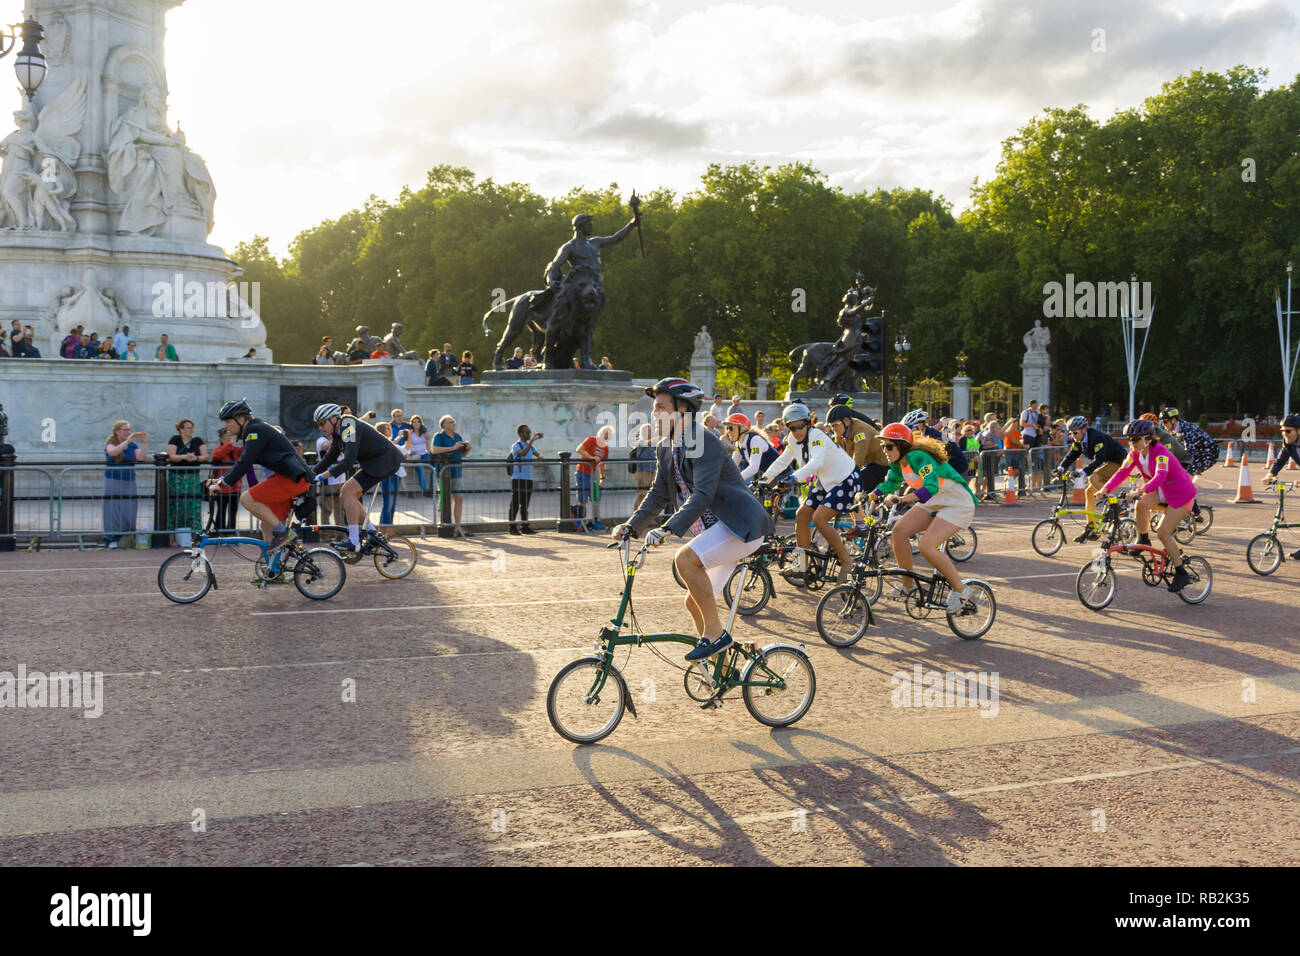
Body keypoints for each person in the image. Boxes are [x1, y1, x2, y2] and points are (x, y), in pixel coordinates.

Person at [612, 377, 775, 663]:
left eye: (661, 408)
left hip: (741, 526)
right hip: (723, 530)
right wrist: (632, 526)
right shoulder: (666, 447)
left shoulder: (705, 442)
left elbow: (702, 494)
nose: (654, 414)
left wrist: (667, 529)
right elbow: (658, 493)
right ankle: (721, 671)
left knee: (684, 560)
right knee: (694, 601)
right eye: (654, 409)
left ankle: (715, 636)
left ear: (683, 411)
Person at [869, 422, 980, 610]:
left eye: (889, 446)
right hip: (934, 501)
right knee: (899, 532)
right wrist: (872, 495)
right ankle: (907, 585)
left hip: (957, 502)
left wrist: (902, 499)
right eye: (883, 446)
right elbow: (891, 483)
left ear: (903, 445)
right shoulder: (898, 463)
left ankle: (961, 591)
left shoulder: (918, 457)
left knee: (926, 546)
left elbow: (930, 487)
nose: (885, 450)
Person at [759, 401, 863, 587]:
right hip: (826, 481)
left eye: (800, 425)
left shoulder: (817, 435)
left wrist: (793, 478)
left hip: (846, 479)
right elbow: (783, 461)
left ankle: (847, 561)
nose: (796, 430)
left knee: (819, 518)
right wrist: (764, 479)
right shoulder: (793, 440)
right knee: (802, 515)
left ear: (808, 422)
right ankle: (802, 564)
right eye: (792, 428)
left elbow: (816, 462)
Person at [204, 399, 312, 556]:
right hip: (290, 478)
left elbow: (245, 461)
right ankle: (272, 570)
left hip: (292, 479)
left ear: (241, 419)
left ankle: (285, 534)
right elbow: (243, 462)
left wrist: (222, 484)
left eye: (228, 421)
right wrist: (219, 481)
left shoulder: (255, 430)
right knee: (266, 526)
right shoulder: (255, 430)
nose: (226, 426)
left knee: (246, 499)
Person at [1102, 418, 1198, 592]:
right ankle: (1144, 538)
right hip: (1162, 491)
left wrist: (1139, 491)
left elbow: (1160, 477)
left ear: (1147, 438)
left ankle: (1181, 572)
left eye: (1134, 439)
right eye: (1129, 439)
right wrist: (1105, 488)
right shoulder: (1134, 452)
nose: (1130, 443)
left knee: (1163, 533)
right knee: (1141, 505)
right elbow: (1123, 471)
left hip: (1180, 494)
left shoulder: (1161, 452)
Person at [311, 403, 407, 552]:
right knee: (350, 494)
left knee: (347, 491)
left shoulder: (348, 424)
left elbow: (348, 461)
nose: (320, 427)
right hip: (375, 462)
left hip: (384, 460)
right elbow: (329, 458)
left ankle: (354, 541)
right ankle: (373, 534)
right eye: (318, 424)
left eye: (322, 423)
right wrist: (310, 474)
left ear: (334, 418)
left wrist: (321, 477)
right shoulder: (338, 431)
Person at [1054, 415, 1128, 541]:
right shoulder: (1078, 441)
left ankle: (1114, 505)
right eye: (1070, 433)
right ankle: (1091, 527)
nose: (1073, 436)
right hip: (1108, 461)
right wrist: (1060, 468)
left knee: (1093, 478)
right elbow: (1071, 455)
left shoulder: (1096, 437)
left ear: (1083, 429)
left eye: (1075, 432)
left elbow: (1098, 460)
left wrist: (1082, 472)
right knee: (1089, 492)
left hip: (1119, 462)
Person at [826, 403, 890, 521]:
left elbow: (858, 459)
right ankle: (864, 522)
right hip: (869, 466)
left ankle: (860, 526)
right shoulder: (839, 434)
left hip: (881, 465)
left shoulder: (861, 431)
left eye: (836, 425)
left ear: (847, 422)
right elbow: (837, 457)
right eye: (831, 426)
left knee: (850, 489)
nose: (833, 429)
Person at [103, 420, 147, 548]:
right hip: (114, 480)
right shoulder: (111, 442)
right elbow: (112, 452)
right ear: (117, 431)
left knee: (130, 509)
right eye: (125, 429)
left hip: (129, 480)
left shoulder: (133, 445)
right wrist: (126, 442)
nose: (128, 432)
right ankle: (111, 538)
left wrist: (144, 444)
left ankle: (128, 537)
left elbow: (141, 458)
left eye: (129, 429)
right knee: (113, 510)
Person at [166, 419, 208, 547]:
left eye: (192, 427)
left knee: (193, 506)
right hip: (177, 479)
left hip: (192, 478)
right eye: (188, 428)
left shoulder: (197, 441)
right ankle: (172, 536)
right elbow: (171, 455)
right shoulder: (175, 440)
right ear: (181, 429)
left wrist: (195, 458)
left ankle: (196, 537)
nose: (191, 430)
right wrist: (184, 457)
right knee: (175, 505)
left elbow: (205, 456)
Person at [1265, 414, 1300, 558]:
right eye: (1282, 431)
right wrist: (1270, 475)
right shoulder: (1288, 445)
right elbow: (1279, 461)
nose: (1284, 434)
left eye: (1288, 431)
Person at [430, 413, 472, 532]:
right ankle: (442, 523)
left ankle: (457, 526)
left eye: (453, 421)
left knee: (459, 499)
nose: (454, 423)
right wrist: (453, 447)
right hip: (443, 473)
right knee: (444, 499)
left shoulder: (458, 436)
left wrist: (467, 449)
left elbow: (462, 454)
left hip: (457, 472)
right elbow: (434, 449)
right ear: (443, 425)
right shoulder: (439, 436)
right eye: (450, 422)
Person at [573, 425, 614, 530]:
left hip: (594, 475)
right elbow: (579, 449)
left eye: (609, 434)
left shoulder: (605, 448)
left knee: (596, 498)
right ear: (601, 433)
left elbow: (602, 464)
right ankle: (581, 521)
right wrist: (591, 458)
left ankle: (596, 521)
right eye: (605, 433)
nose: (606, 435)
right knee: (583, 498)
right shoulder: (591, 440)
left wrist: (602, 478)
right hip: (583, 472)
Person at [508, 424, 544, 534]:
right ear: (521, 434)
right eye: (527, 432)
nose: (529, 434)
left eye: (530, 432)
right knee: (515, 504)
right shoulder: (516, 445)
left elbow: (539, 454)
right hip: (518, 478)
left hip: (528, 478)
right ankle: (512, 527)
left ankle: (525, 526)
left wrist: (540, 456)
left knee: (525, 504)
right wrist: (532, 441)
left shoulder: (531, 447)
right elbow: (522, 454)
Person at [724, 413, 780, 483]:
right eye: (726, 428)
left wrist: (735, 480)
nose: (728, 431)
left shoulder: (755, 440)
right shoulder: (738, 443)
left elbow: (754, 468)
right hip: (770, 476)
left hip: (781, 476)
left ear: (741, 429)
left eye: (730, 428)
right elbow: (732, 465)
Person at [210, 425, 244, 531]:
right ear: (221, 438)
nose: (230, 438)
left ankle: (230, 532)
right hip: (222, 487)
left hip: (235, 487)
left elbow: (246, 451)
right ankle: (219, 531)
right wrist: (229, 444)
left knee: (233, 511)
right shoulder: (219, 449)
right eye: (227, 436)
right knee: (221, 510)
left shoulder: (236, 450)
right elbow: (217, 456)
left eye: (231, 436)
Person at [312, 426, 346, 526]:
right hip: (327, 481)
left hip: (341, 479)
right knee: (326, 509)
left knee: (340, 509)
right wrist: (336, 436)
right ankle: (326, 533)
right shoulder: (321, 440)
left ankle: (340, 533)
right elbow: (326, 447)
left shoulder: (340, 439)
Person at [374, 422, 405, 527]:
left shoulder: (388, 442)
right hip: (387, 476)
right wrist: (399, 437)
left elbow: (392, 445)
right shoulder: (379, 441)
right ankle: (385, 528)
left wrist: (400, 437)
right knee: (388, 503)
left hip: (395, 475)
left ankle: (387, 527)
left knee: (392, 504)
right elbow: (389, 447)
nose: (390, 430)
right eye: (387, 428)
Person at [628, 422, 657, 509]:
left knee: (650, 496)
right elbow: (648, 442)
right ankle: (636, 515)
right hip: (643, 472)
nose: (652, 431)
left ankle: (647, 517)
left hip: (651, 471)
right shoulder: (641, 441)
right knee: (642, 495)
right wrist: (663, 437)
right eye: (649, 430)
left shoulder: (652, 444)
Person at [403, 415, 434, 496]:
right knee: (421, 469)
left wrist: (430, 454)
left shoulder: (424, 433)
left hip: (424, 454)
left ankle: (431, 488)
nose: (416, 423)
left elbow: (427, 445)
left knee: (434, 467)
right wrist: (413, 454)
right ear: (412, 423)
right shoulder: (410, 433)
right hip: (415, 455)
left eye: (418, 422)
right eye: (414, 422)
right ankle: (425, 491)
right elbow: (408, 445)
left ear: (420, 423)